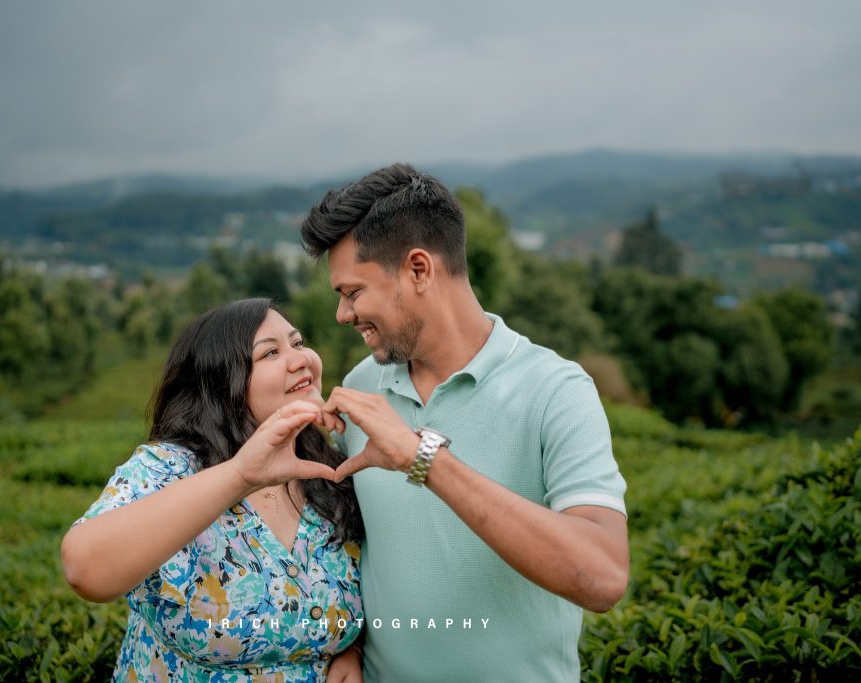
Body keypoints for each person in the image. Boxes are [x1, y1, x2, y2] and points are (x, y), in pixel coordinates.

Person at [300, 164, 629, 682]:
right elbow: (364, 548)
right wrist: (350, 642)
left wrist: (421, 459)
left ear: (418, 270)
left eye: (353, 292)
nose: (343, 314)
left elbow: (604, 576)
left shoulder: (557, 391)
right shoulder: (363, 385)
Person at [61, 298, 365, 682]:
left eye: (298, 343)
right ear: (223, 383)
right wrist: (240, 475)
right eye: (270, 352)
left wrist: (351, 647)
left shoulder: (333, 471)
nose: (300, 358)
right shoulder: (167, 468)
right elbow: (85, 568)